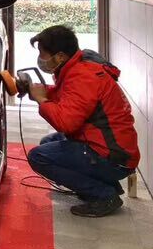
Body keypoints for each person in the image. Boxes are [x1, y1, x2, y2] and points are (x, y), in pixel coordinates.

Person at [24, 25, 140, 217]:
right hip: (111, 149)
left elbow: (66, 123)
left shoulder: (83, 76)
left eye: (42, 53)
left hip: (112, 157)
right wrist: (42, 91)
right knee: (48, 143)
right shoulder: (78, 65)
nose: (40, 59)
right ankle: (105, 186)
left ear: (60, 56)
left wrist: (43, 100)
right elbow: (70, 97)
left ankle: (104, 195)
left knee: (39, 156)